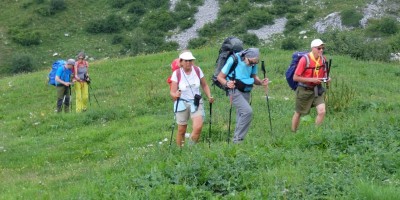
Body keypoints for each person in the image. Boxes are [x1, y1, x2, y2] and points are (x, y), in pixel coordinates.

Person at [217, 48, 269, 144]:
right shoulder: (234, 59)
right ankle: (238, 140)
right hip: (233, 89)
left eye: (255, 63)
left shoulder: (253, 63)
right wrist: (227, 83)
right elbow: (220, 77)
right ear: (245, 57)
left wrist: (261, 82)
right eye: (251, 62)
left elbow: (254, 77)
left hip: (246, 89)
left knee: (241, 115)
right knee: (247, 112)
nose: (252, 64)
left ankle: (236, 143)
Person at [170, 50, 214, 147]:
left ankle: (190, 148)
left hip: (196, 102)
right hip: (182, 103)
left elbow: (205, 85)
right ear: (181, 62)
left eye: (190, 60)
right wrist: (175, 95)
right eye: (186, 61)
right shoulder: (177, 73)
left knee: (198, 127)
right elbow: (172, 92)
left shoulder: (197, 70)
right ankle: (180, 151)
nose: (188, 63)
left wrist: (209, 95)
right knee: (181, 130)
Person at [291, 39, 331, 132]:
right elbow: (295, 77)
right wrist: (312, 79)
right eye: (319, 48)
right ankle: (293, 132)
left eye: (322, 48)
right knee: (298, 113)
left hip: (317, 89)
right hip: (304, 89)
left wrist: (327, 78)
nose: (321, 50)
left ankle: (316, 133)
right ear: (313, 48)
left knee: (322, 111)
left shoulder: (323, 59)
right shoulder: (305, 60)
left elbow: (325, 73)